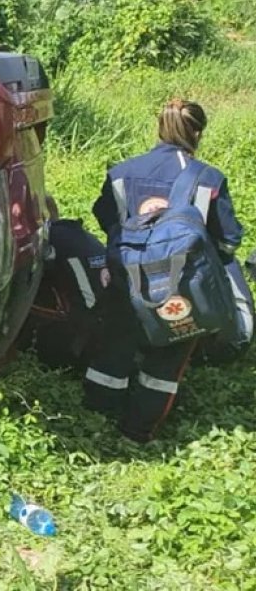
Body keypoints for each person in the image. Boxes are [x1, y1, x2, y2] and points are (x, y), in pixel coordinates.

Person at [83, 99, 253, 441]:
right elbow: (228, 241)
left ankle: (96, 422)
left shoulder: (122, 173)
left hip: (127, 278)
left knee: (114, 345)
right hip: (180, 289)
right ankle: (137, 431)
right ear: (198, 134)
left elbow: (105, 217)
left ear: (160, 128)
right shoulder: (208, 179)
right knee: (166, 361)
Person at [28, 195, 116, 370]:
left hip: (88, 319)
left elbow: (34, 274)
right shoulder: (78, 234)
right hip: (112, 310)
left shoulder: (51, 239)